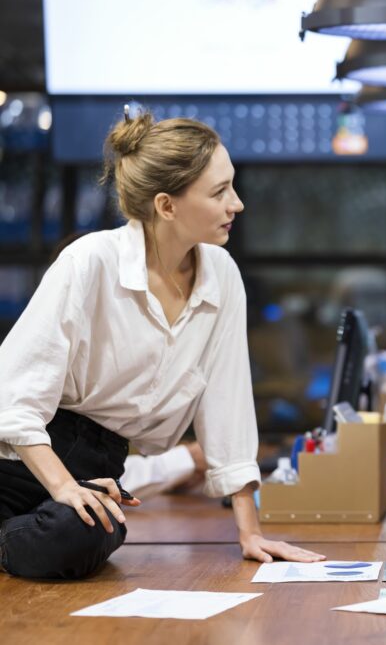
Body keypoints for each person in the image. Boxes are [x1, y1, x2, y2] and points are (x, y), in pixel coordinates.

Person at [0, 109, 325, 578]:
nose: (237, 204)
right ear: (166, 206)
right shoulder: (91, 260)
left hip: (104, 459)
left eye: (232, 186)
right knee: (80, 524)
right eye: (219, 192)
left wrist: (250, 532)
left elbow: (227, 401)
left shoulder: (222, 275)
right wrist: (64, 486)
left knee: (93, 531)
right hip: (21, 457)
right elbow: (12, 395)